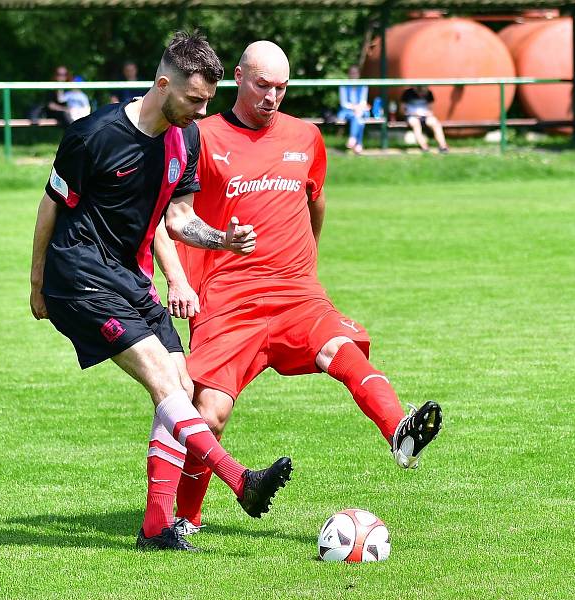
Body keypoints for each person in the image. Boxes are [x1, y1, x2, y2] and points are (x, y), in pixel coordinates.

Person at [151, 41, 443, 536]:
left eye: (281, 88)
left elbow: (316, 201)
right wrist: (179, 278)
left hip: (294, 291)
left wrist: (306, 263)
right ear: (238, 78)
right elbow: (169, 214)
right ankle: (186, 519)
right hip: (228, 298)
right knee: (210, 413)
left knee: (340, 348)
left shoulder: (306, 136)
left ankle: (399, 430)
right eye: (262, 85)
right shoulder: (198, 136)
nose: (271, 96)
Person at [28, 31, 292, 553]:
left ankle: (155, 527)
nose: (201, 111)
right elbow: (49, 208)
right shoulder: (93, 135)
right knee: (162, 381)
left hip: (129, 276)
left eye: (207, 102)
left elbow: (179, 219)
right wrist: (37, 282)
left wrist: (224, 241)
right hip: (78, 275)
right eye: (194, 100)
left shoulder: (185, 138)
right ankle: (239, 480)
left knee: (182, 384)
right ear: (162, 83)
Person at [399, 85, 449, 153]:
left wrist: (428, 113)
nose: (421, 94)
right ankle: (424, 147)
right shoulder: (407, 93)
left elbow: (430, 109)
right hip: (411, 116)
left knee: (435, 123)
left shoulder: (429, 93)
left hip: (425, 116)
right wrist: (412, 114)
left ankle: (443, 146)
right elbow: (402, 110)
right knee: (416, 124)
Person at [337, 66, 370, 154]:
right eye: (351, 73)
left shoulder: (363, 85)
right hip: (347, 110)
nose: (353, 75)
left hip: (360, 109)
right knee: (359, 118)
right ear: (348, 74)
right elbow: (343, 103)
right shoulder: (343, 85)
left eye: (355, 73)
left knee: (358, 116)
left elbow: (363, 101)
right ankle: (358, 144)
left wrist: (358, 108)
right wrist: (355, 108)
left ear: (359, 74)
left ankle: (353, 138)